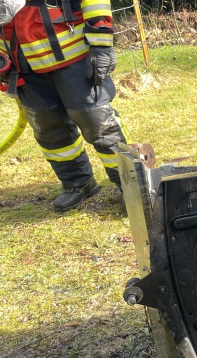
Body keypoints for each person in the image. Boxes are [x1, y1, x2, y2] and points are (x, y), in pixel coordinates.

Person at [0, 0, 129, 212]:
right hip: (22, 62)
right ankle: (77, 182)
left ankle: (130, 185)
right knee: (49, 127)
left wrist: (101, 43)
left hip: (73, 53)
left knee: (96, 119)